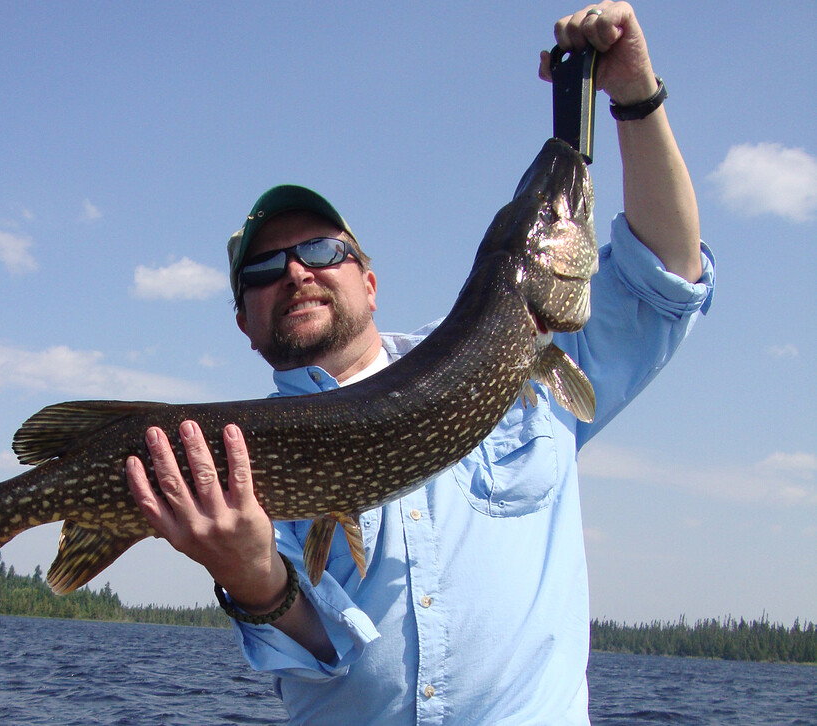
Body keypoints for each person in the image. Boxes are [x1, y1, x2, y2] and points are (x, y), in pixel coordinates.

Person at [126, 2, 715, 723]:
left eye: (321, 251)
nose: (297, 274)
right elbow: (318, 648)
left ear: (369, 285)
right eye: (264, 270)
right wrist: (251, 577)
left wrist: (635, 98)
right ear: (245, 322)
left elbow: (667, 277)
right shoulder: (237, 460)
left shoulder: (532, 355)